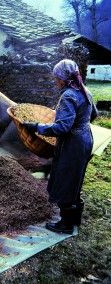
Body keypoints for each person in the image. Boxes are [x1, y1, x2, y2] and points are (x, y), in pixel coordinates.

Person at [24, 59, 98, 234]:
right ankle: (75, 220)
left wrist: (36, 127)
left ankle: (65, 224)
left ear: (63, 79)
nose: (54, 80)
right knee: (75, 179)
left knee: (65, 179)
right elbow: (93, 114)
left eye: (56, 77)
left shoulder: (68, 96)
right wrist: (80, 126)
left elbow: (62, 128)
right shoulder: (85, 90)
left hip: (73, 143)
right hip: (85, 138)